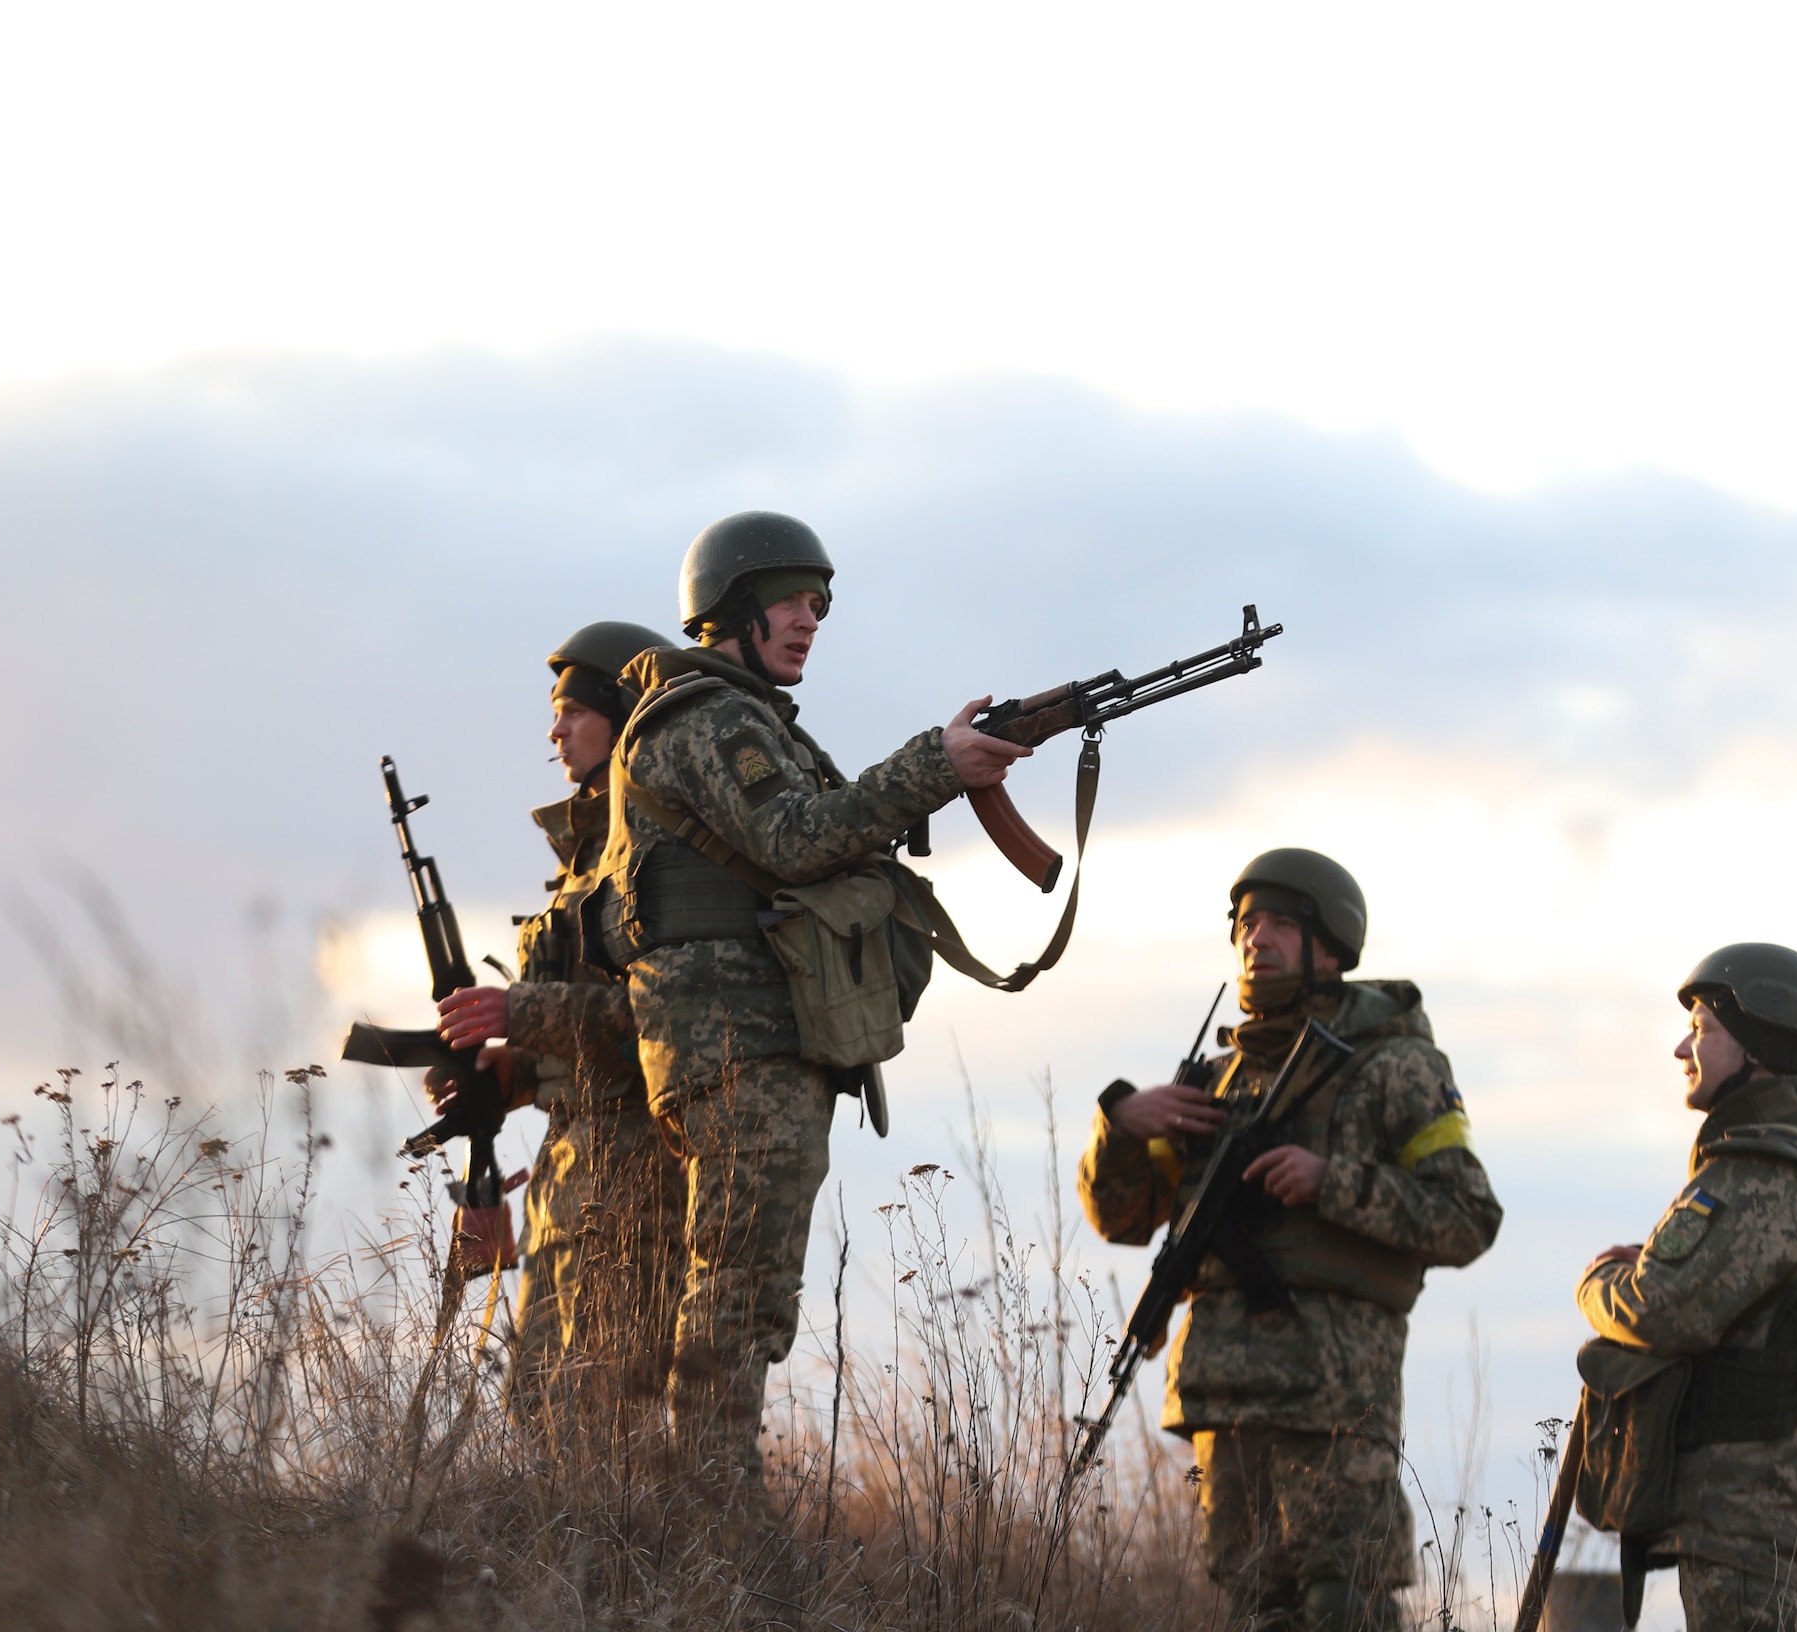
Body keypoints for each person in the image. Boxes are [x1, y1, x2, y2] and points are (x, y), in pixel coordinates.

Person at [573, 510, 1022, 1487]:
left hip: (758, 1042)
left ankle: (705, 1488)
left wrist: (931, 774)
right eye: (790, 601)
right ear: (733, 607)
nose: (810, 619)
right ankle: (709, 1501)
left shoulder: (744, 721)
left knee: (749, 1284)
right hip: (736, 1045)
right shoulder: (705, 719)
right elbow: (795, 838)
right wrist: (931, 768)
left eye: (819, 605)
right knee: (737, 1289)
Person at [1078, 848, 1503, 1632]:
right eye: (1246, 923)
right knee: (1252, 1608)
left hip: (1333, 1398)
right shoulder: (1214, 1082)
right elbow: (1125, 1219)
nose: (1256, 938)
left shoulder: (1396, 1067)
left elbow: (1468, 1215)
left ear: (1330, 945)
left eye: (1278, 922)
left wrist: (1329, 1182)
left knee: (1346, 1604)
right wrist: (1122, 1129)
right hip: (1223, 1398)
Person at [432, 620, 686, 1452]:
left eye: (574, 711)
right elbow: (588, 1028)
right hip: (572, 1175)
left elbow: (666, 1021)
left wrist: (520, 1017)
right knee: (540, 1417)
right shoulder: (588, 860)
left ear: (625, 717)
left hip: (639, 1179)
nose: (556, 729)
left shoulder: (660, 855)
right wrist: (507, 1074)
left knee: (601, 1430)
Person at [1576, 944, 1797, 1631]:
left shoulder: (1763, 1164)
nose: (1685, 1046)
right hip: (1790, 1509)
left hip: (1747, 1512)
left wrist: (1600, 1281)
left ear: (1757, 1048)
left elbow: (1659, 1309)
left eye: (1704, 1028)